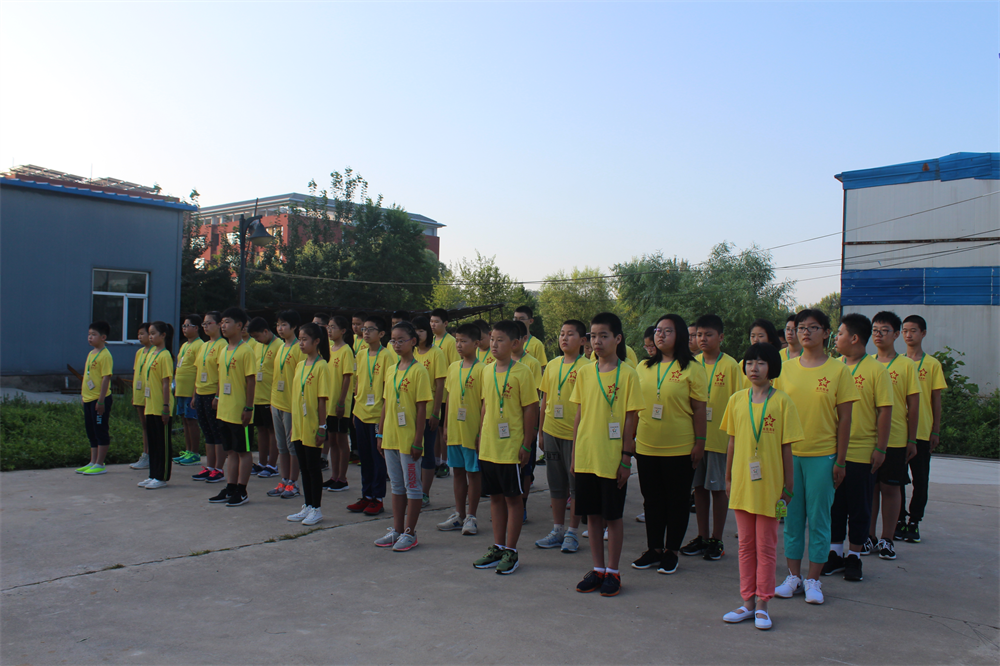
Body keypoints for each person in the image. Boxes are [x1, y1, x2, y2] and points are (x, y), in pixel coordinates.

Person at [772, 309, 858, 605]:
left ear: (826, 333)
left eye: (812, 327)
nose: (805, 332)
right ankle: (793, 577)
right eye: (800, 327)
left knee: (820, 519)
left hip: (823, 456)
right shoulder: (785, 369)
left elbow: (845, 420)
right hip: (789, 456)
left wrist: (841, 460)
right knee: (791, 518)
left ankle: (813, 580)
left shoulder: (838, 371)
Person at [720, 342, 801, 630]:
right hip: (743, 485)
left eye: (761, 363)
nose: (754, 368)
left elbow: (787, 448)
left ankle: (763, 604)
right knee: (745, 546)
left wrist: (788, 486)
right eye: (750, 362)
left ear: (772, 367)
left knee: (766, 547)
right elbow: (732, 442)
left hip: (770, 488)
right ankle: (747, 603)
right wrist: (728, 478)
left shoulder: (782, 402)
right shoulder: (736, 400)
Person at [570, 313, 644, 597]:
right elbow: (579, 415)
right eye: (593, 336)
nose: (597, 341)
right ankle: (598, 569)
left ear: (617, 339)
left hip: (612, 458)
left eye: (603, 335)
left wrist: (626, 457)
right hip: (587, 455)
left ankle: (613, 571)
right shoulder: (585, 372)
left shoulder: (628, 374)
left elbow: (631, 419)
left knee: (612, 517)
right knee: (592, 515)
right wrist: (575, 454)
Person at [631, 314, 708, 576]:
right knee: (652, 501)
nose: (660, 335)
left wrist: (700, 443)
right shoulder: (643, 367)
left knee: (677, 502)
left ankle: (671, 552)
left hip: (680, 447)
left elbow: (699, 409)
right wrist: (630, 439)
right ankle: (654, 549)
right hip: (647, 446)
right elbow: (634, 407)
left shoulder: (693, 368)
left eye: (667, 331)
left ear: (681, 336)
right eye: (658, 330)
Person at [823, 313, 891, 583]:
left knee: (860, 507)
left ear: (853, 338)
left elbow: (884, 411)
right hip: (831, 450)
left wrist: (881, 448)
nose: (835, 338)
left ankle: (855, 555)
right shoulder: (832, 367)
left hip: (861, 451)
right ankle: (834, 553)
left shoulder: (876, 370)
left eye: (839, 333)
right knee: (835, 505)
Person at [472, 320, 539, 575]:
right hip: (489, 446)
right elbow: (486, 405)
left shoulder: (523, 372)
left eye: (500, 340)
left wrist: (527, 444)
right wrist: (480, 435)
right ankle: (498, 547)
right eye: (492, 339)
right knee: (495, 498)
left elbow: (530, 409)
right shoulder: (486, 370)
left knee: (513, 499)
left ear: (515, 343)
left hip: (511, 448)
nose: (494, 344)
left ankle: (511, 550)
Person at [681, 314, 742, 561]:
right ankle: (702, 536)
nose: (702, 339)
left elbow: (738, 403)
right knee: (698, 488)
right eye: (698, 335)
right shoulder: (691, 363)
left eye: (708, 334)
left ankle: (717, 539)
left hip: (719, 439)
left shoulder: (731, 366)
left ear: (721, 337)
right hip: (695, 438)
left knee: (718, 489)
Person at [374, 321, 432, 551]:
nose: (396, 344)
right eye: (393, 340)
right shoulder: (391, 370)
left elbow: (421, 409)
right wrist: (380, 433)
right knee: (397, 487)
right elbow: (386, 404)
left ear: (413, 342)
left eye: (401, 340)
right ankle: (397, 530)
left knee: (412, 487)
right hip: (390, 438)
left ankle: (410, 532)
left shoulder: (419, 371)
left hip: (409, 441)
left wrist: (418, 440)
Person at [867, 311, 920, 561]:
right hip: (868, 438)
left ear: (896, 334)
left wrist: (912, 440)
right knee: (870, 489)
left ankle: (887, 539)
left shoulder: (906, 366)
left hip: (896, 439)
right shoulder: (866, 364)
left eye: (884, 330)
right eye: (875, 330)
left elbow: (914, 406)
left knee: (890, 488)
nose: (878, 335)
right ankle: (868, 536)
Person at [535, 320, 590, 553]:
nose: (564, 338)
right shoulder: (552, 365)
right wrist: (541, 432)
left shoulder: (588, 367)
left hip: (575, 435)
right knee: (556, 484)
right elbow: (544, 400)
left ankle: (572, 533)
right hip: (551, 431)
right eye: (561, 334)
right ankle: (557, 530)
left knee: (575, 485)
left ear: (583, 340)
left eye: (570, 334)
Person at [898, 315, 947, 543]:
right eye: (905, 330)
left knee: (920, 480)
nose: (908, 335)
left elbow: (935, 399)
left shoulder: (932, 364)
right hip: (898, 432)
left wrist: (935, 429)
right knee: (897, 480)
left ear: (923, 333)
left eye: (913, 330)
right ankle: (899, 519)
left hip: (922, 432)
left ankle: (914, 521)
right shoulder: (896, 363)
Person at [437, 323, 486, 535]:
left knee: (473, 473)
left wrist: (481, 433)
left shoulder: (483, 369)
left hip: (472, 431)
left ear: (476, 344)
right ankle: (459, 514)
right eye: (457, 340)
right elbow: (449, 398)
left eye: (463, 341)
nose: (458, 345)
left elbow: (485, 404)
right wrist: (446, 426)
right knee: (457, 472)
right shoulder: (453, 367)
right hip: (455, 430)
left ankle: (471, 517)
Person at [208, 307, 257, 507]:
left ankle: (242, 491)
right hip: (224, 410)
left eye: (227, 322)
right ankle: (230, 487)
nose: (223, 326)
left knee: (243, 451)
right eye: (222, 322)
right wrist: (217, 396)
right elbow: (222, 377)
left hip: (240, 411)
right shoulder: (224, 350)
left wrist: (249, 408)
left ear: (239, 325)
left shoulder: (246, 351)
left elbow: (251, 381)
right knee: (230, 451)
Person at [285, 322, 331, 526]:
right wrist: (294, 424)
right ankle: (308, 505)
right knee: (303, 467)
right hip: (299, 424)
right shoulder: (300, 365)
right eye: (300, 340)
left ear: (316, 341)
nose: (301, 344)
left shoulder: (322, 366)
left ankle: (316, 508)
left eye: (305, 340)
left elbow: (322, 399)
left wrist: (322, 426)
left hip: (312, 424)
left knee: (313, 468)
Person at [350, 316, 393, 516]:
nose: (365, 332)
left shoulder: (387, 356)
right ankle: (366, 495)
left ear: (381, 334)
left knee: (378, 459)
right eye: (364, 329)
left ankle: (377, 498)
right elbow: (358, 382)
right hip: (360, 412)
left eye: (370, 329)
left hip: (377, 415)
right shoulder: (361, 354)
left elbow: (388, 389)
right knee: (365, 457)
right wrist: (354, 410)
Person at [268, 311, 304, 500]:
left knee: (292, 447)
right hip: (277, 402)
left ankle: (293, 482)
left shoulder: (299, 349)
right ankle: (283, 480)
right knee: (281, 445)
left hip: (291, 405)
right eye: (278, 325)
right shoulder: (281, 347)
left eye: (284, 325)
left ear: (294, 327)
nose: (280, 329)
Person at [413, 316, 449, 502]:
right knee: (412, 452)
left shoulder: (436, 353)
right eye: (415, 331)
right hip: (410, 411)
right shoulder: (411, 352)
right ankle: (413, 489)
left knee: (427, 451)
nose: (418, 334)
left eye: (421, 330)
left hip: (428, 411)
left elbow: (440, 384)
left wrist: (436, 412)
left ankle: (424, 493)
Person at [138, 321, 175, 489]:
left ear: (163, 335)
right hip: (150, 405)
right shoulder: (151, 354)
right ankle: (152, 474)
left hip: (161, 406)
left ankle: (161, 476)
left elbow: (166, 383)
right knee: (153, 442)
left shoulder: (165, 355)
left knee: (162, 443)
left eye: (153, 333)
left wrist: (166, 406)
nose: (151, 337)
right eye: (150, 333)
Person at [320, 315, 355, 493]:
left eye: (333, 327)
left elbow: (347, 377)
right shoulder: (328, 349)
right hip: (328, 403)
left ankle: (342, 478)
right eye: (328, 327)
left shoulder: (346, 350)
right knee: (332, 440)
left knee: (341, 441)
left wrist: (341, 401)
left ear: (343, 331)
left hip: (339, 403)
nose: (329, 330)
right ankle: (334, 476)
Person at [192, 312, 228, 483]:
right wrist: (194, 394)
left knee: (217, 432)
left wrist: (218, 396)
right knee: (207, 432)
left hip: (212, 393)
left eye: (209, 323)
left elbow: (222, 373)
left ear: (219, 324)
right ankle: (210, 467)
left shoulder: (223, 345)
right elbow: (198, 371)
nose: (205, 327)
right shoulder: (204, 345)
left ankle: (219, 469)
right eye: (203, 324)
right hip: (200, 392)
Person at [77, 320, 114, 475]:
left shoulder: (105, 355)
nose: (90, 337)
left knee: (100, 430)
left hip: (99, 399)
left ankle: (100, 463)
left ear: (103, 337)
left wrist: (101, 400)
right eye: (89, 334)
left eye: (94, 335)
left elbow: (106, 378)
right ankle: (92, 461)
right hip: (88, 399)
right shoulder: (91, 353)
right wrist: (83, 395)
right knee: (91, 431)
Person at [248, 317, 280, 479]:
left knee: (272, 431)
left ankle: (272, 465)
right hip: (258, 396)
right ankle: (261, 462)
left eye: (257, 336)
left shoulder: (279, 346)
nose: (256, 340)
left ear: (266, 331)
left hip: (271, 397)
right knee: (260, 429)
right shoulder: (257, 346)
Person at [172, 315, 204, 467]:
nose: (184, 329)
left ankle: (195, 453)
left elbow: (199, 369)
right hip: (180, 390)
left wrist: (194, 393)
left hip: (190, 391)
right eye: (183, 326)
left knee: (192, 421)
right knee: (184, 420)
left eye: (187, 326)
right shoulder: (184, 345)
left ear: (196, 328)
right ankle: (188, 450)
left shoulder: (200, 345)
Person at [129, 323, 152, 470]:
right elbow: (136, 373)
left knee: (150, 425)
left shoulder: (155, 352)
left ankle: (150, 454)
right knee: (144, 425)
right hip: (139, 393)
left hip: (150, 394)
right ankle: (145, 454)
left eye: (142, 333)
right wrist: (134, 394)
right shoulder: (139, 353)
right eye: (138, 334)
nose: (140, 337)